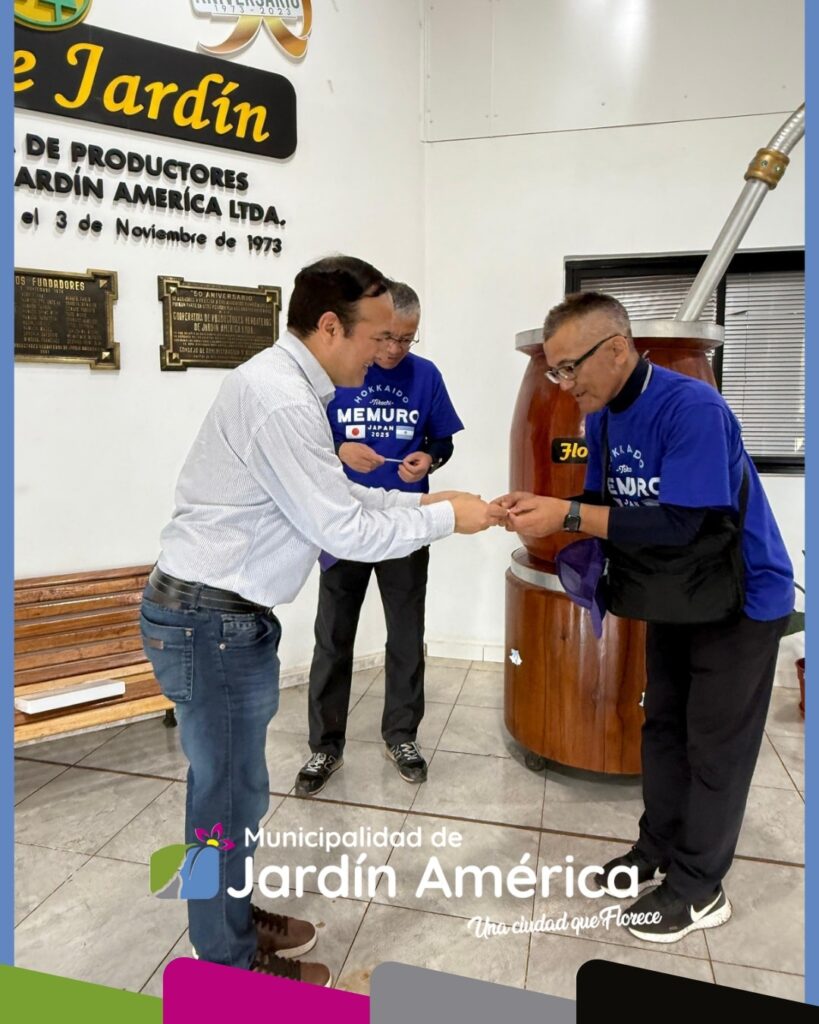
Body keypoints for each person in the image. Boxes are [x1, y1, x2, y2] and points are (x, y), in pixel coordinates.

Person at [140, 255, 504, 983]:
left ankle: (231, 919)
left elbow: (343, 502)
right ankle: (227, 959)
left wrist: (435, 506)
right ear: (330, 326)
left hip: (222, 618)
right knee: (221, 800)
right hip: (209, 623)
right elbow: (343, 533)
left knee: (236, 792)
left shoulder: (288, 392)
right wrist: (440, 520)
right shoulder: (280, 401)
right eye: (375, 336)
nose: (384, 352)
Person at [495, 291, 794, 943]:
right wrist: (541, 506)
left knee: (713, 747)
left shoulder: (692, 408)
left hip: (738, 598)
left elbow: (683, 522)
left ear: (618, 349)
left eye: (569, 368)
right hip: (674, 595)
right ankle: (653, 851)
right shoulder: (601, 418)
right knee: (660, 727)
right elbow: (605, 503)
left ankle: (698, 888)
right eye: (553, 371)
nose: (562, 383)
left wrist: (567, 515)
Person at [296, 281, 464, 795]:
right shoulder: (340, 370)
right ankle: (325, 747)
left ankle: (402, 735)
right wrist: (339, 451)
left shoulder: (426, 375)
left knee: (406, 634)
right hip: (342, 523)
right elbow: (304, 442)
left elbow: (442, 439)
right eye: (387, 337)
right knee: (333, 637)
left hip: (407, 525)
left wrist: (428, 459)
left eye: (407, 340)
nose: (394, 350)